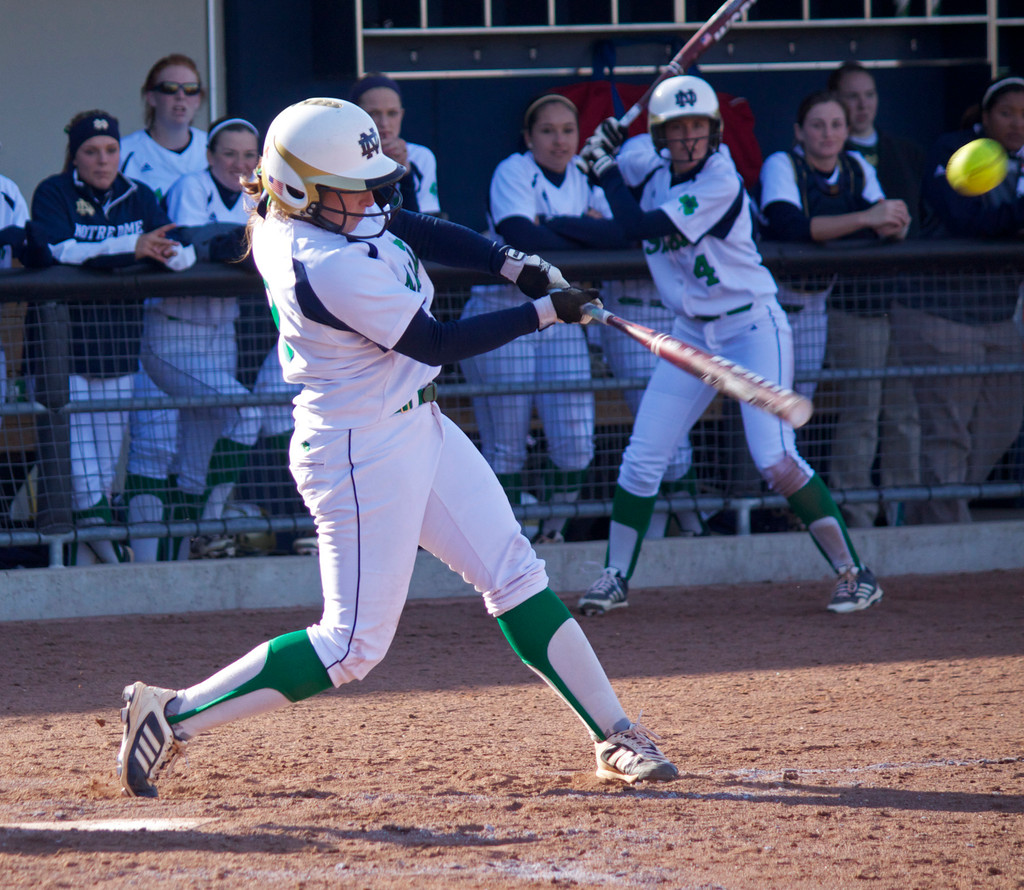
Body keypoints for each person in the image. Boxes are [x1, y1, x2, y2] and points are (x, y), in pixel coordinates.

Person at [115, 97, 678, 798]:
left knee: (514, 572)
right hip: (359, 448)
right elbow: (434, 344)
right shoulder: (319, 259)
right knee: (350, 647)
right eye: (353, 190)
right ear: (301, 190)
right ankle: (171, 716)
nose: (372, 199)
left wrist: (514, 264)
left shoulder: (316, 209)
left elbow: (412, 225)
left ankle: (613, 732)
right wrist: (543, 312)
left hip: (417, 424)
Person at [575, 75, 884, 616]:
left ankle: (855, 573)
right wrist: (597, 147)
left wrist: (604, 167)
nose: (689, 138)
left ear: (714, 133)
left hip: (751, 328)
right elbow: (591, 173)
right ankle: (614, 575)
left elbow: (637, 225)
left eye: (699, 128)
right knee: (643, 458)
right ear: (661, 134)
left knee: (774, 458)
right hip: (692, 331)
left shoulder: (720, 179)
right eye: (678, 129)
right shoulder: (644, 158)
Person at [28, 110, 195, 565]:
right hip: (61, 356)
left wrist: (164, 251)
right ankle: (125, 569)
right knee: (79, 478)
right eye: (91, 151)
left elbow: (181, 252)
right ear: (75, 155)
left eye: (110, 150)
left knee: (100, 477)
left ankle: (94, 592)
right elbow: (57, 249)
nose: (103, 160)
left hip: (119, 352)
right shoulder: (53, 191)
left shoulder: (137, 195)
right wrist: (131, 248)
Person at [458, 93, 626, 541]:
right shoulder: (513, 170)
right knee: (506, 446)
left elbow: (617, 235)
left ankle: (550, 532)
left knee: (575, 443)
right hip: (503, 313)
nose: (559, 140)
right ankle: (502, 540)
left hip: (564, 317)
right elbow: (520, 235)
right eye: (547, 131)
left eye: (568, 131)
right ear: (529, 137)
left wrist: (552, 227)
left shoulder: (585, 177)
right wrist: (578, 228)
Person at [762, 82, 918, 528]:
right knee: (762, 411)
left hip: (815, 308)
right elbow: (789, 226)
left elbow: (884, 221)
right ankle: (748, 508)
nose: (827, 134)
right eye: (817, 125)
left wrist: (886, 221)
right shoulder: (782, 164)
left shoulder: (853, 166)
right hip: (770, 307)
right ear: (799, 131)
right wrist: (866, 220)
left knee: (793, 409)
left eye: (836, 125)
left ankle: (782, 508)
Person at [150, 116, 290, 557]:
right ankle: (210, 525)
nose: (240, 163)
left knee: (196, 458)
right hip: (173, 334)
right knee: (245, 415)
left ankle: (180, 558)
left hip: (221, 334)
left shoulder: (266, 193)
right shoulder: (191, 187)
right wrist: (243, 240)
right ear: (210, 156)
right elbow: (191, 238)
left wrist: (230, 243)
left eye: (250, 155)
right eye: (229, 154)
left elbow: (269, 240)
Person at [895, 75, 1024, 524]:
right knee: (947, 435)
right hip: (939, 312)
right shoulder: (953, 147)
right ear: (986, 116)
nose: (1016, 123)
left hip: (999, 318)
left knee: (1001, 425)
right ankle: (948, 542)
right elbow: (964, 218)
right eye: (1007, 112)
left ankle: (926, 512)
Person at [119, 53, 210, 561]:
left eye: (190, 90)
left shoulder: (214, 152)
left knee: (206, 432)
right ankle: (147, 565)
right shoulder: (125, 153)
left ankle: (183, 557)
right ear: (150, 96)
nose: (180, 99)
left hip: (212, 318)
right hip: (147, 314)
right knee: (153, 438)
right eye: (169, 89)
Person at [349, 72, 440, 216]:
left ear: (401, 115)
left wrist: (406, 176)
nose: (384, 124)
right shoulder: (343, 158)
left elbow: (422, 228)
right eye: (373, 113)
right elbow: (366, 221)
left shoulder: (420, 156)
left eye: (392, 113)